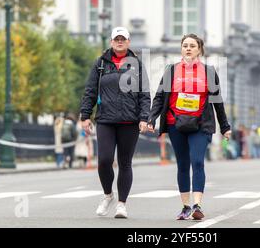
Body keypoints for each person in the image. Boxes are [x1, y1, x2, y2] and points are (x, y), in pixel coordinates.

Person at [147, 33, 231, 221]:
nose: (188, 48)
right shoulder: (171, 71)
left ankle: (197, 205)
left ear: (199, 50)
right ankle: (185, 207)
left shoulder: (209, 72)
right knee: (183, 164)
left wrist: (225, 127)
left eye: (192, 45)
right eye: (185, 45)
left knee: (197, 161)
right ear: (181, 49)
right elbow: (160, 97)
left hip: (201, 124)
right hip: (175, 122)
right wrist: (152, 118)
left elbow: (218, 102)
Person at [80, 26, 151, 218]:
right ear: (111, 42)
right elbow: (90, 91)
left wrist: (145, 118)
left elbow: (145, 94)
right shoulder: (101, 64)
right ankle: (108, 195)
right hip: (105, 120)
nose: (119, 41)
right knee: (104, 160)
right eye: (116, 39)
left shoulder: (137, 64)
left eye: (123, 39)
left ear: (128, 42)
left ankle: (122, 204)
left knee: (125, 163)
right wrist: (85, 116)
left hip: (130, 121)